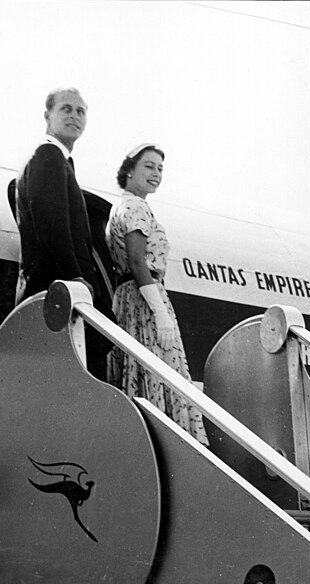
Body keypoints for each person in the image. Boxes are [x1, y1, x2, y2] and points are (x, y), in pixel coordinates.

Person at [106, 143, 208, 445]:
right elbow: (138, 262)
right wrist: (160, 312)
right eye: (149, 166)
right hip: (144, 299)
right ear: (129, 170)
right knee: (161, 374)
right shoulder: (135, 206)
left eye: (160, 168)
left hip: (129, 298)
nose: (156, 174)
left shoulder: (122, 205)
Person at [11, 87, 114, 379]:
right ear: (48, 116)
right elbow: (51, 225)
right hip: (59, 291)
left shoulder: (59, 160)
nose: (75, 116)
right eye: (66, 109)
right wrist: (76, 276)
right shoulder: (47, 155)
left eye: (81, 111)